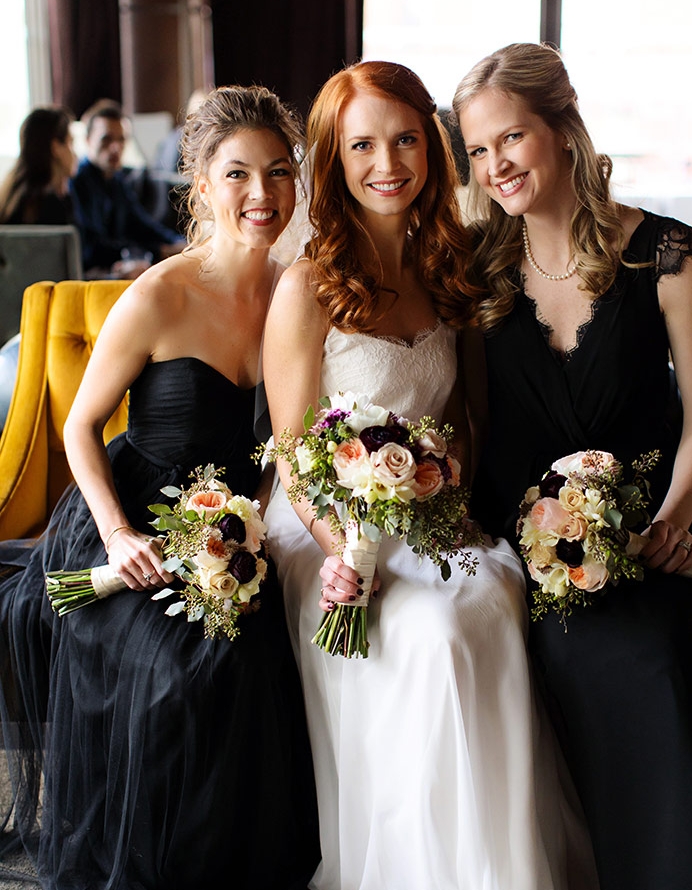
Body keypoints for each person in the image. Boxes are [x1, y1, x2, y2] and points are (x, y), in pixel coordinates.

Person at [263, 60, 598, 890]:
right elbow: (292, 452)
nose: (388, 164)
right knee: (431, 634)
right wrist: (342, 552)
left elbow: (468, 422)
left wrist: (452, 500)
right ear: (333, 160)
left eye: (406, 140)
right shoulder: (306, 286)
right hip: (325, 523)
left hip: (432, 512)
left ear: (432, 148)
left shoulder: (451, 270)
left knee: (491, 594)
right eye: (362, 146)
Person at [0, 85, 319, 890]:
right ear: (202, 184)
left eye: (279, 172)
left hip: (235, 532)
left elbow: (291, 439)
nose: (261, 193)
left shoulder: (296, 292)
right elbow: (80, 428)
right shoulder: (159, 294)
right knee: (184, 667)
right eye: (238, 173)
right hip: (132, 519)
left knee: (258, 663)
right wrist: (116, 536)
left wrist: (270, 524)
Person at [452, 42, 692, 890]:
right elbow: (468, 417)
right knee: (583, 651)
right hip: (520, 550)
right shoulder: (475, 268)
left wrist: (671, 523)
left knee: (657, 658)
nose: (496, 166)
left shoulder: (668, 253)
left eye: (511, 137)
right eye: (477, 149)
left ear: (562, 128)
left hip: (650, 542)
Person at [72, 99, 185, 278]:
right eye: (106, 139)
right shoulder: (77, 182)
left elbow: (141, 224)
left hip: (117, 261)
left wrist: (179, 243)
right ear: (88, 140)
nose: (116, 147)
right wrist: (156, 251)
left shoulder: (116, 180)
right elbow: (91, 247)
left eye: (121, 140)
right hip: (91, 271)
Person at [0, 106, 79, 226]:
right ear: (56, 148)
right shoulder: (51, 206)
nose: (75, 154)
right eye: (71, 143)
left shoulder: (13, 196)